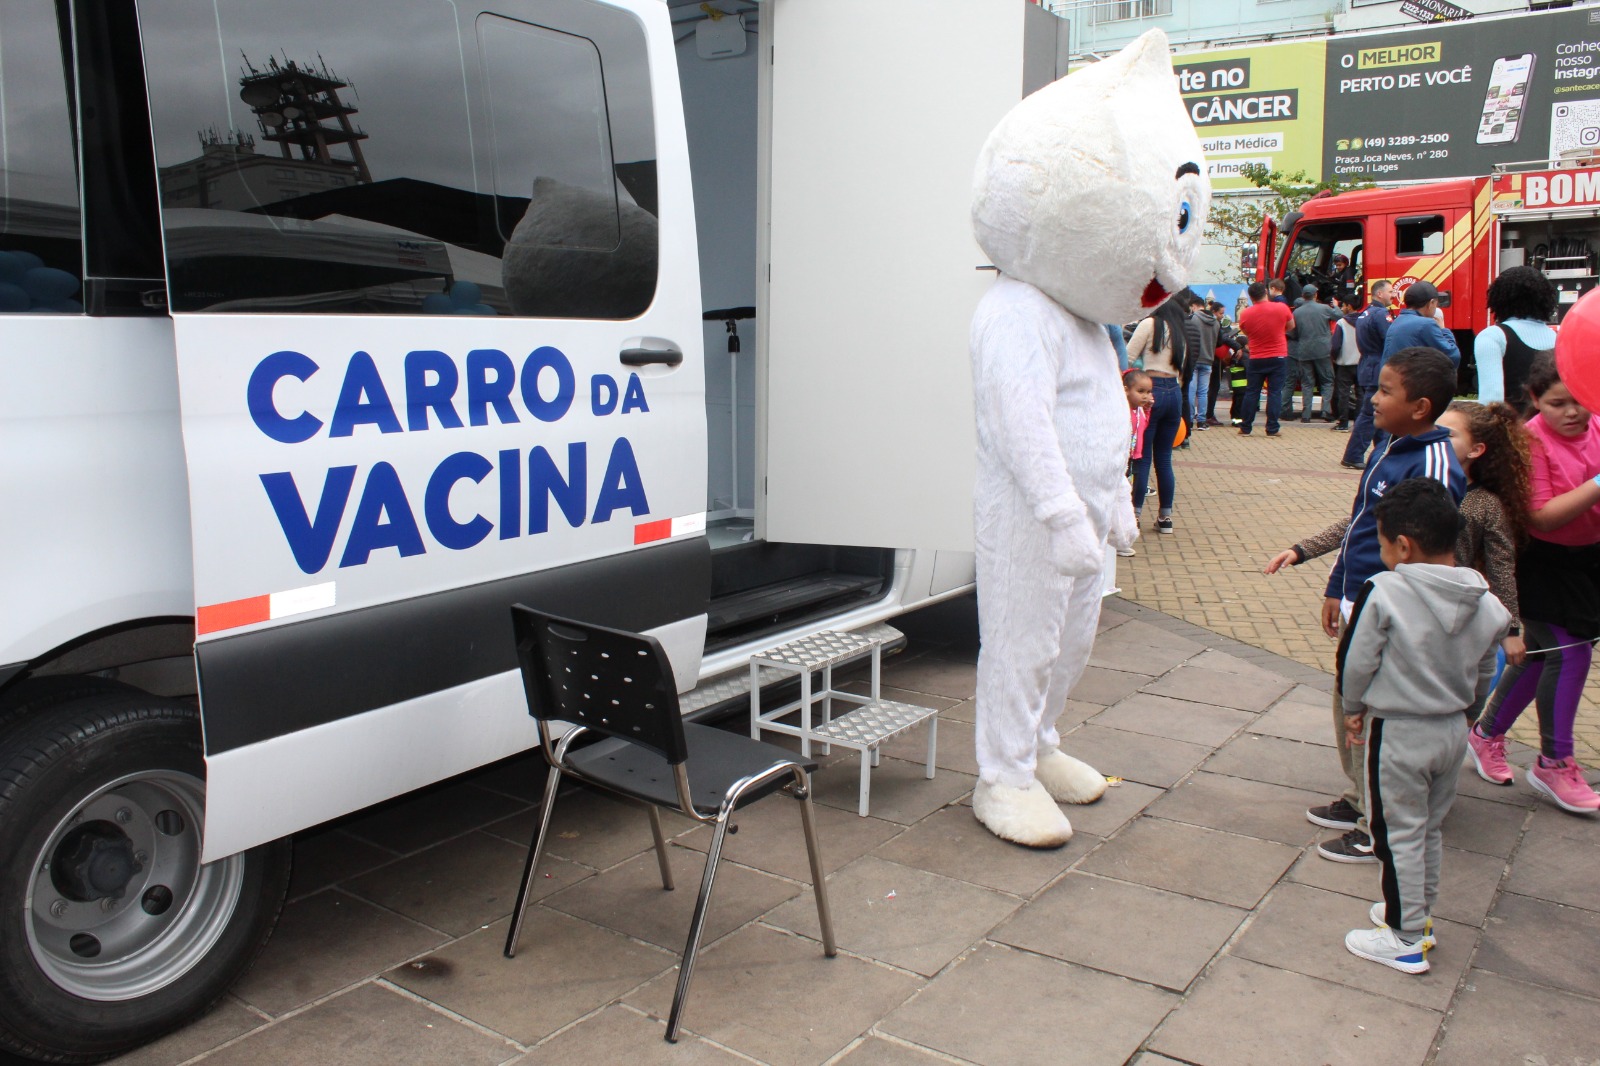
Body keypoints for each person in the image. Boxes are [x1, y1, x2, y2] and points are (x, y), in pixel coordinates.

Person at [1263, 348, 1466, 861]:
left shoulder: (1433, 464)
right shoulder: (1388, 445)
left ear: (1420, 406)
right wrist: (1336, 584)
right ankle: (1360, 798)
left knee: (1377, 719)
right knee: (1349, 701)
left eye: (1384, 390)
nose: (1372, 398)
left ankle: (1382, 825)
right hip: (1362, 600)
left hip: (1397, 614)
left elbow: (1431, 554)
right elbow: (1361, 526)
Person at [1340, 477, 1510, 974]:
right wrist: (1468, 715)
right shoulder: (1489, 604)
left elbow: (1357, 660)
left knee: (1394, 833)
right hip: (1451, 732)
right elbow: (1485, 673)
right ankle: (1415, 913)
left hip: (1398, 731)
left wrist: (1353, 705)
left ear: (1404, 545)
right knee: (1426, 829)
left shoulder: (1385, 591)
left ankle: (1405, 936)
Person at [1466, 358, 1600, 812]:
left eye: (1580, 402)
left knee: (1542, 657)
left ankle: (1485, 735)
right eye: (1557, 403)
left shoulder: (1597, 426)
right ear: (1536, 399)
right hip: (1539, 561)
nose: (1572, 413)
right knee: (1569, 652)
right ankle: (1554, 762)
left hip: (1587, 560)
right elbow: (1542, 517)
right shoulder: (1530, 441)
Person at [1437, 400, 1532, 675]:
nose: (1437, 438)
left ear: (1476, 450)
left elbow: (1501, 566)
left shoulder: (1486, 504)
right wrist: (1303, 550)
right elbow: (1361, 523)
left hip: (1455, 614)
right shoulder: (1418, 482)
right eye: (1434, 430)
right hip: (1404, 600)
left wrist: (1511, 629)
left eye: (1449, 434)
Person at [1126, 291, 1190, 532]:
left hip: (1150, 391)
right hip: (1174, 391)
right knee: (1164, 459)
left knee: (1142, 458)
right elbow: (1184, 368)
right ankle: (1166, 518)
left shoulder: (1149, 324)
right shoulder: (1180, 329)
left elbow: (1129, 356)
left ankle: (1135, 514)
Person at [1474, 266, 1556, 411]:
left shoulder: (1493, 336)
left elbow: (1492, 402)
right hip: (1554, 429)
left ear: (1498, 298)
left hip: (1515, 430)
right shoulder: (1559, 338)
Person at [1236, 281, 1296, 437]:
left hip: (1256, 357)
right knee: (1275, 392)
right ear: (1266, 292)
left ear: (1250, 297)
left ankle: (1246, 427)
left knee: (1252, 392)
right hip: (1278, 356)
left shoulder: (1246, 313)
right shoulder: (1281, 308)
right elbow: (1291, 326)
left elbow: (1245, 331)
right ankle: (1272, 428)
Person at [1285, 284, 1343, 422]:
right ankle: (1326, 411)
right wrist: (1335, 305)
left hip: (1303, 351)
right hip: (1323, 350)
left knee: (1306, 383)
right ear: (1316, 295)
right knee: (1328, 381)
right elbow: (1340, 316)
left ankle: (1306, 415)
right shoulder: (1324, 308)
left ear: (1303, 296)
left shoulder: (1297, 313)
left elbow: (1292, 333)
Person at [1382, 281, 1460, 368]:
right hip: (1412, 380)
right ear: (1431, 303)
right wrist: (1443, 329)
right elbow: (1452, 357)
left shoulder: (1397, 321)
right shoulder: (1426, 324)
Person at [1120, 369, 1154, 557]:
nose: (1145, 396)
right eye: (1140, 391)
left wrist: (1147, 409)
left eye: (1148, 392)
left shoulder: (1140, 411)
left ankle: (1124, 534)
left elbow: (1143, 426)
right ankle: (1119, 536)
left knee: (1130, 492)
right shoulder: (1123, 409)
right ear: (1126, 390)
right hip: (1121, 459)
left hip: (1134, 457)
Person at [1183, 293, 1220, 433]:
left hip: (1194, 359)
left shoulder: (1193, 320)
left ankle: (1190, 419)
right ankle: (1202, 421)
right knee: (1203, 392)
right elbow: (1219, 341)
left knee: (1191, 390)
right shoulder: (1216, 322)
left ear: (1193, 306)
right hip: (1209, 359)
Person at [1331, 295, 1363, 431]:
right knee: (1361, 393)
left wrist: (1334, 358)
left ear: (1349, 306)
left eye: (1343, 306)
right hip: (1361, 362)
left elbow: (1336, 345)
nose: (1342, 308)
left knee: (1343, 393)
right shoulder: (1364, 321)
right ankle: (1359, 422)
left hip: (1344, 363)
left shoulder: (1341, 323)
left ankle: (1343, 422)